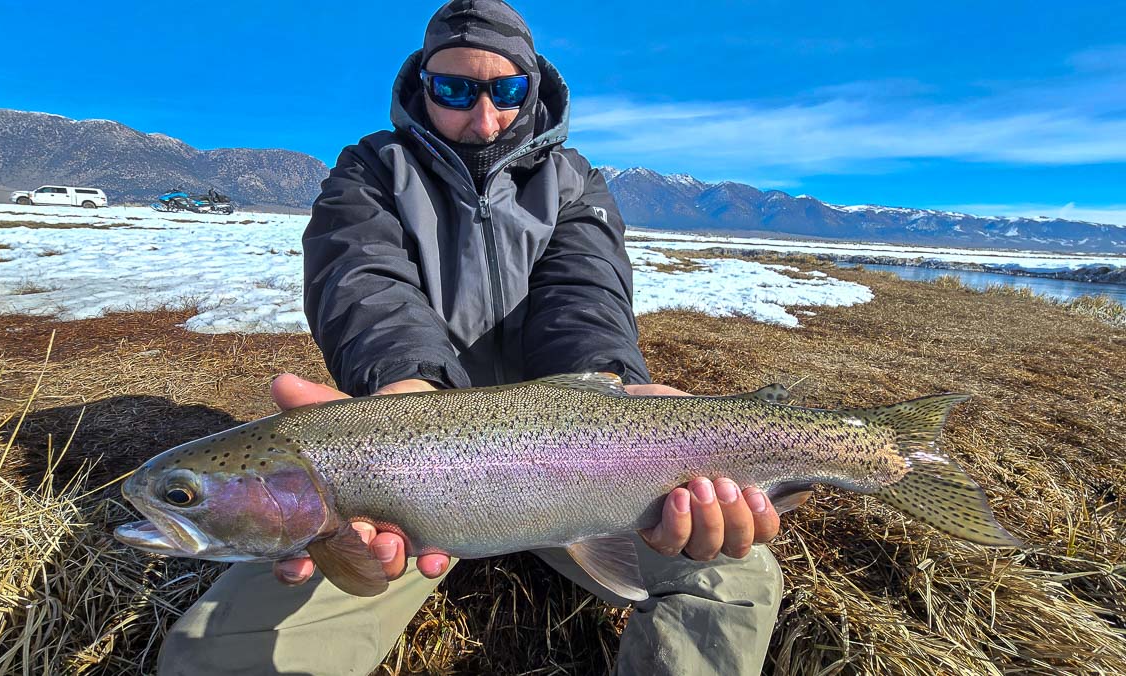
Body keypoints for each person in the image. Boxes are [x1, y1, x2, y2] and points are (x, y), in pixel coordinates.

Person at [159, 1, 785, 674]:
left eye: (506, 91)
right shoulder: (368, 172)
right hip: (396, 489)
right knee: (217, 657)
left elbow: (584, 299)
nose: (482, 118)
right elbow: (364, 286)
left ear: (533, 87)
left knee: (735, 581)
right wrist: (404, 393)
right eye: (455, 90)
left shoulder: (575, 182)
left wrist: (613, 384)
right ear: (422, 85)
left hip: (585, 468)